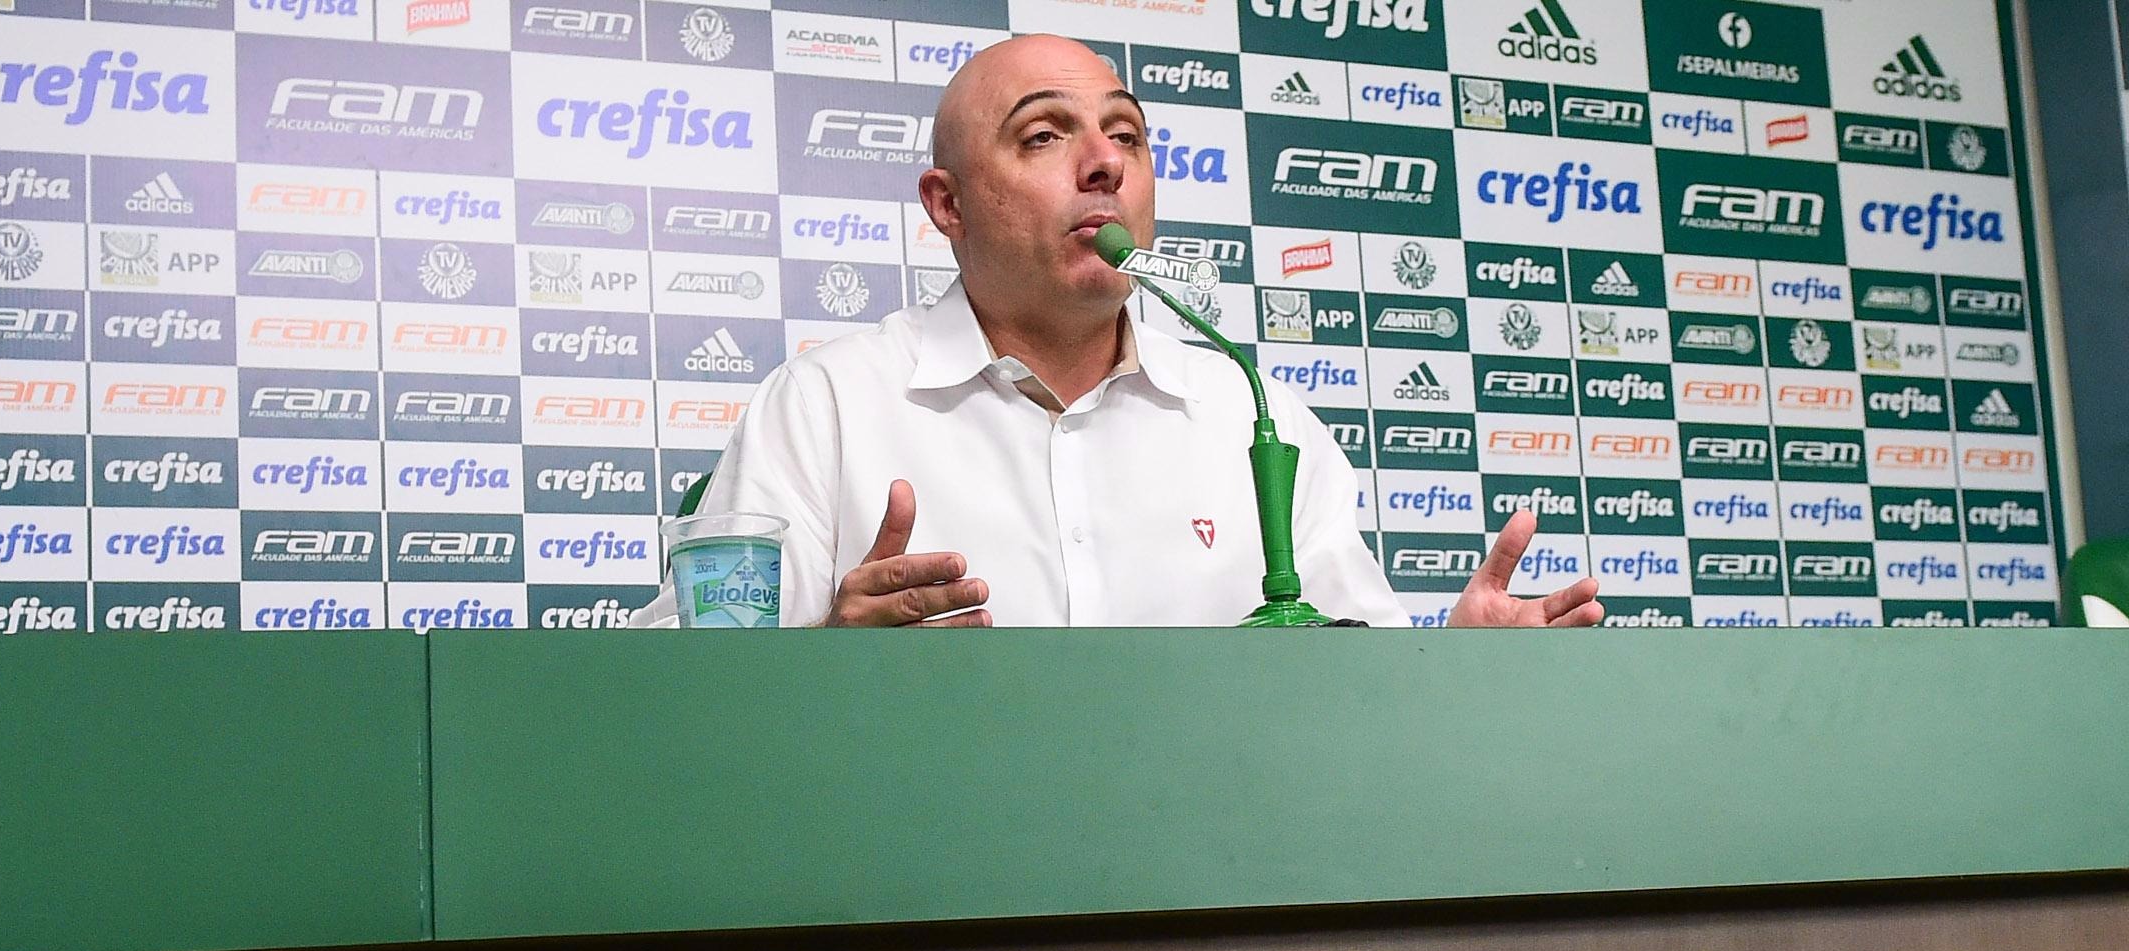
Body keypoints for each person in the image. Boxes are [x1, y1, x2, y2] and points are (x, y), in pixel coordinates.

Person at [647, 34, 1602, 630]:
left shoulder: (1253, 415)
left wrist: (1466, 675)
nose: (1104, 164)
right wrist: (825, 658)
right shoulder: (827, 406)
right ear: (948, 204)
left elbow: (1356, 700)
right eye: (1043, 136)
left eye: (1129, 136)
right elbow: (671, 707)